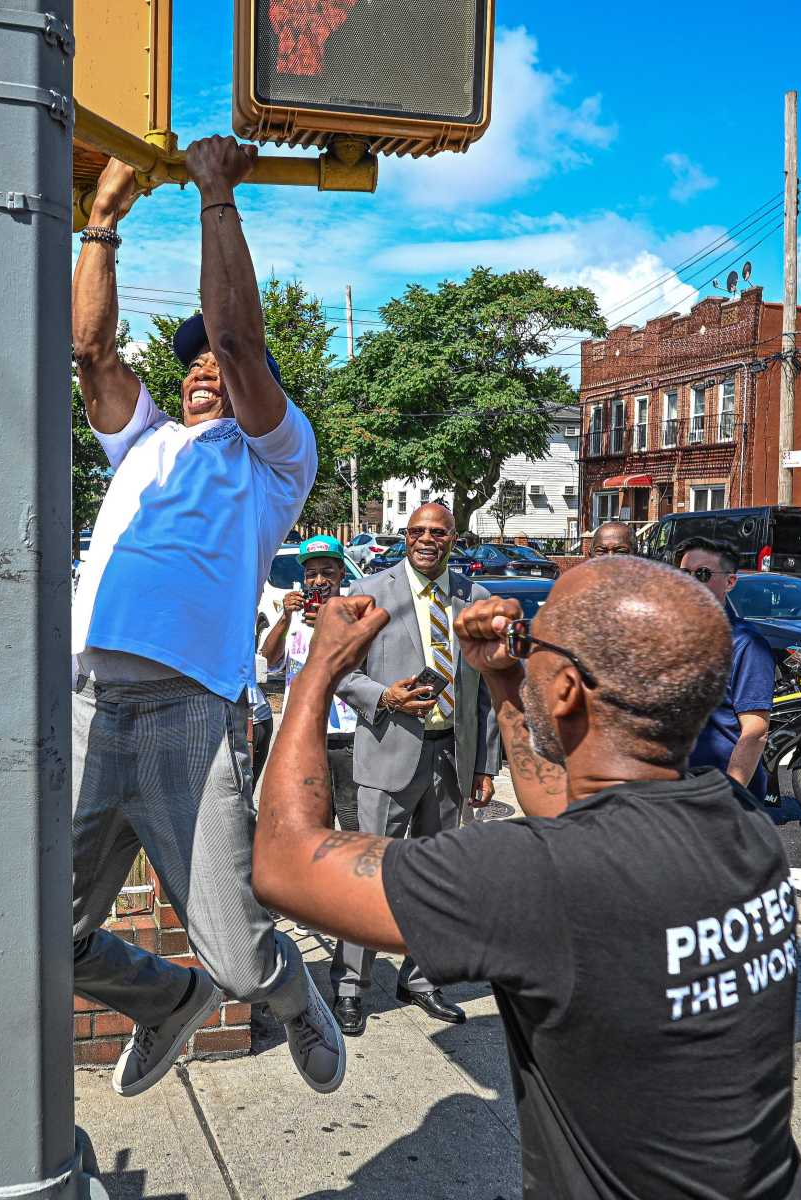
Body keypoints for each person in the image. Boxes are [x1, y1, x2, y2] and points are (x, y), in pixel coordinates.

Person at [253, 556, 801, 1200]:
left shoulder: (536, 875)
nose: (524, 641)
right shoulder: (741, 829)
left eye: (533, 638)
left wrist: (319, 670)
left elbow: (286, 861)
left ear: (567, 689)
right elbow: (562, 803)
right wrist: (503, 674)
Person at [68, 139, 344, 1101]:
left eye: (215, 367)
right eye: (187, 367)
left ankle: (286, 987)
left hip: (192, 713)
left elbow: (237, 343)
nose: (201, 373)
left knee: (237, 959)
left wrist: (214, 193)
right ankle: (161, 1003)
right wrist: (102, 214)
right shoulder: (140, 445)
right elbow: (90, 351)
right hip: (93, 707)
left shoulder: (275, 460)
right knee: (42, 940)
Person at [329, 503, 500, 1036]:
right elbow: (339, 671)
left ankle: (421, 977)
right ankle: (351, 984)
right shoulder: (371, 593)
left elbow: (487, 691)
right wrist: (385, 697)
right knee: (368, 874)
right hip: (388, 750)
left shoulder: (473, 599)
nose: (428, 539)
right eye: (418, 531)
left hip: (451, 755)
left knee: (435, 875)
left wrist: (484, 763)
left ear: (454, 538)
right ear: (405, 536)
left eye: (438, 532)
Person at [260, 535, 360, 831]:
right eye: (311, 574)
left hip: (347, 736)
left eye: (327, 572)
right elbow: (268, 660)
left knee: (353, 819)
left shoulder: (355, 614)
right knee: (312, 821)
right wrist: (284, 618)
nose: (318, 581)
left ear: (342, 573)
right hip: (303, 735)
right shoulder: (294, 617)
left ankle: (349, 878)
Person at [678, 537, 775, 798]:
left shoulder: (746, 643)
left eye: (702, 574)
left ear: (730, 582)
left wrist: (728, 796)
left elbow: (755, 732)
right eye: (684, 573)